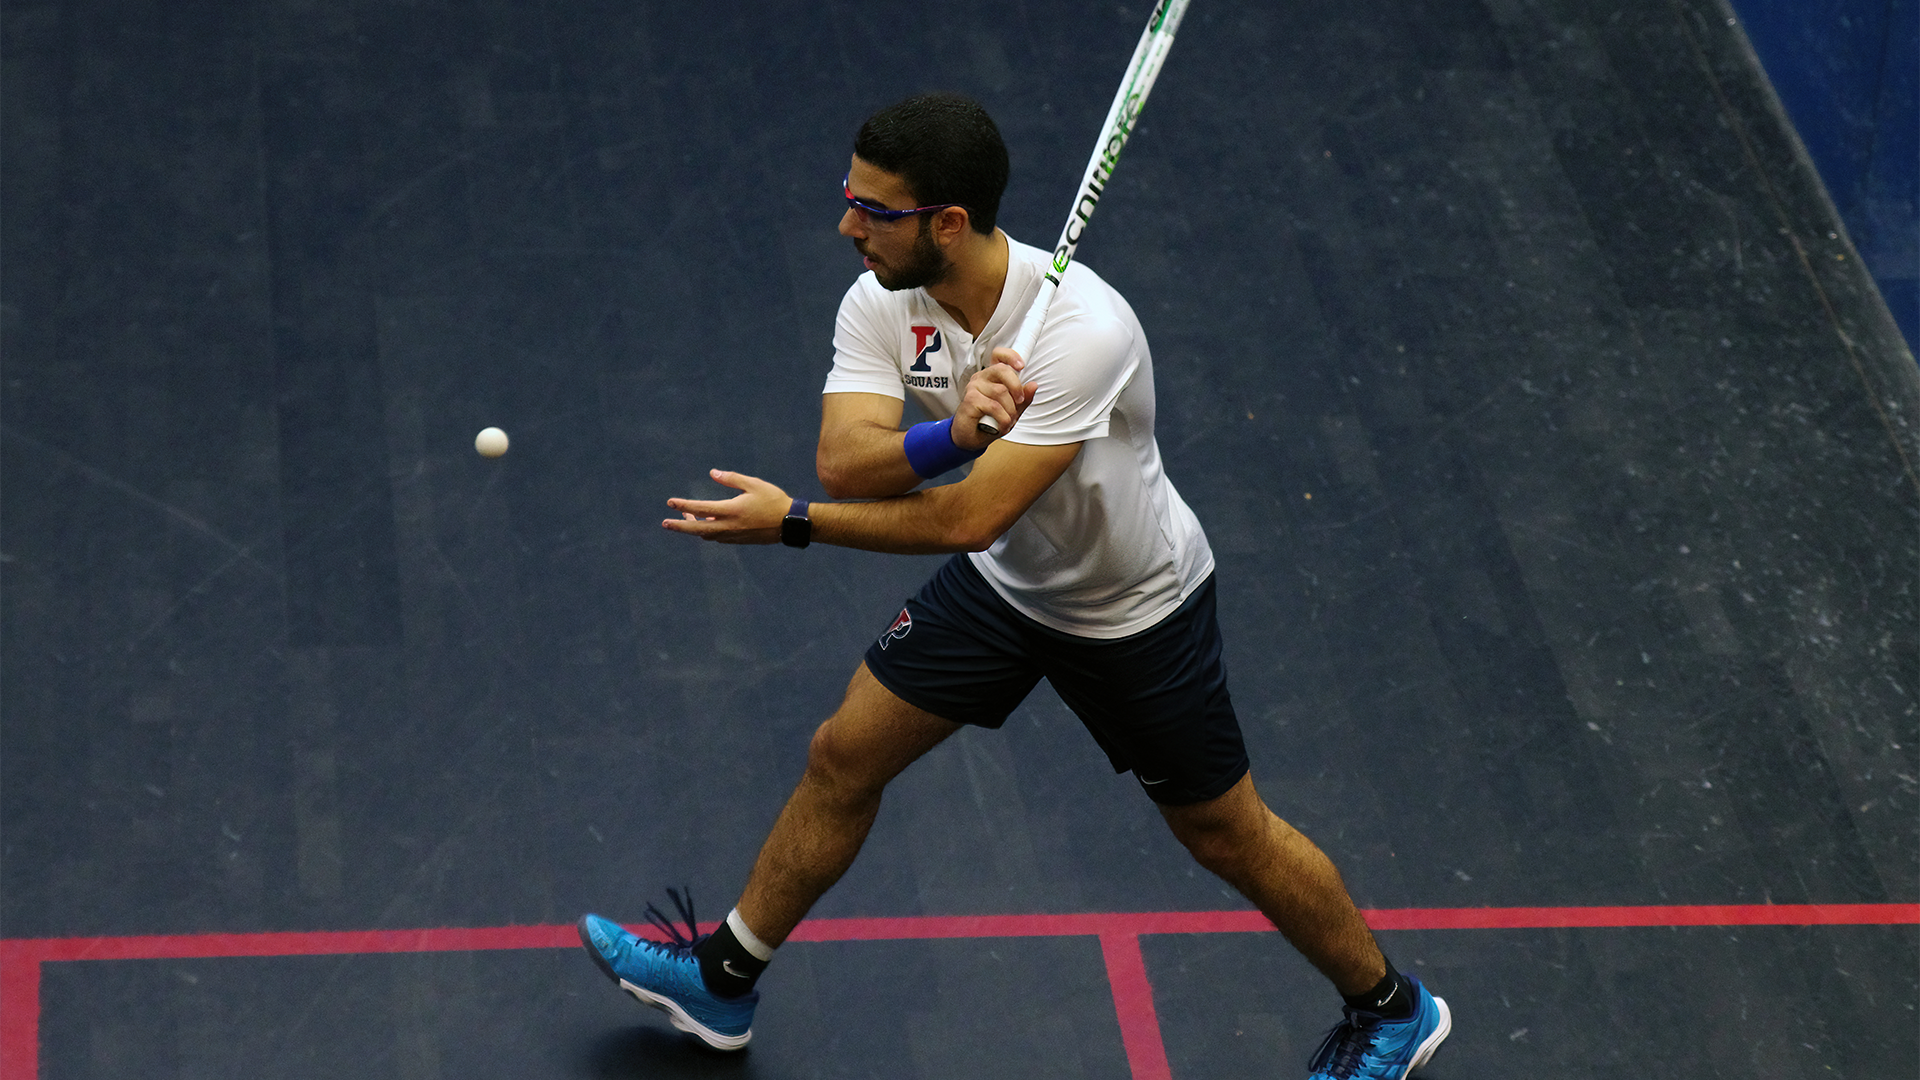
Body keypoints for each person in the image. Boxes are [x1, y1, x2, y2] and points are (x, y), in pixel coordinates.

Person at [577, 93, 1450, 1079]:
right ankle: (723, 980)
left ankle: (1393, 1010)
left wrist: (791, 527)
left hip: (1133, 610)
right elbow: (847, 462)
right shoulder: (881, 296)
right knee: (844, 754)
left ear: (947, 222)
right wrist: (955, 430)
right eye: (850, 198)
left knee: (1226, 836)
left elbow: (966, 517)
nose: (847, 225)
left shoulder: (1086, 331)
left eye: (875, 210)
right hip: (1006, 589)